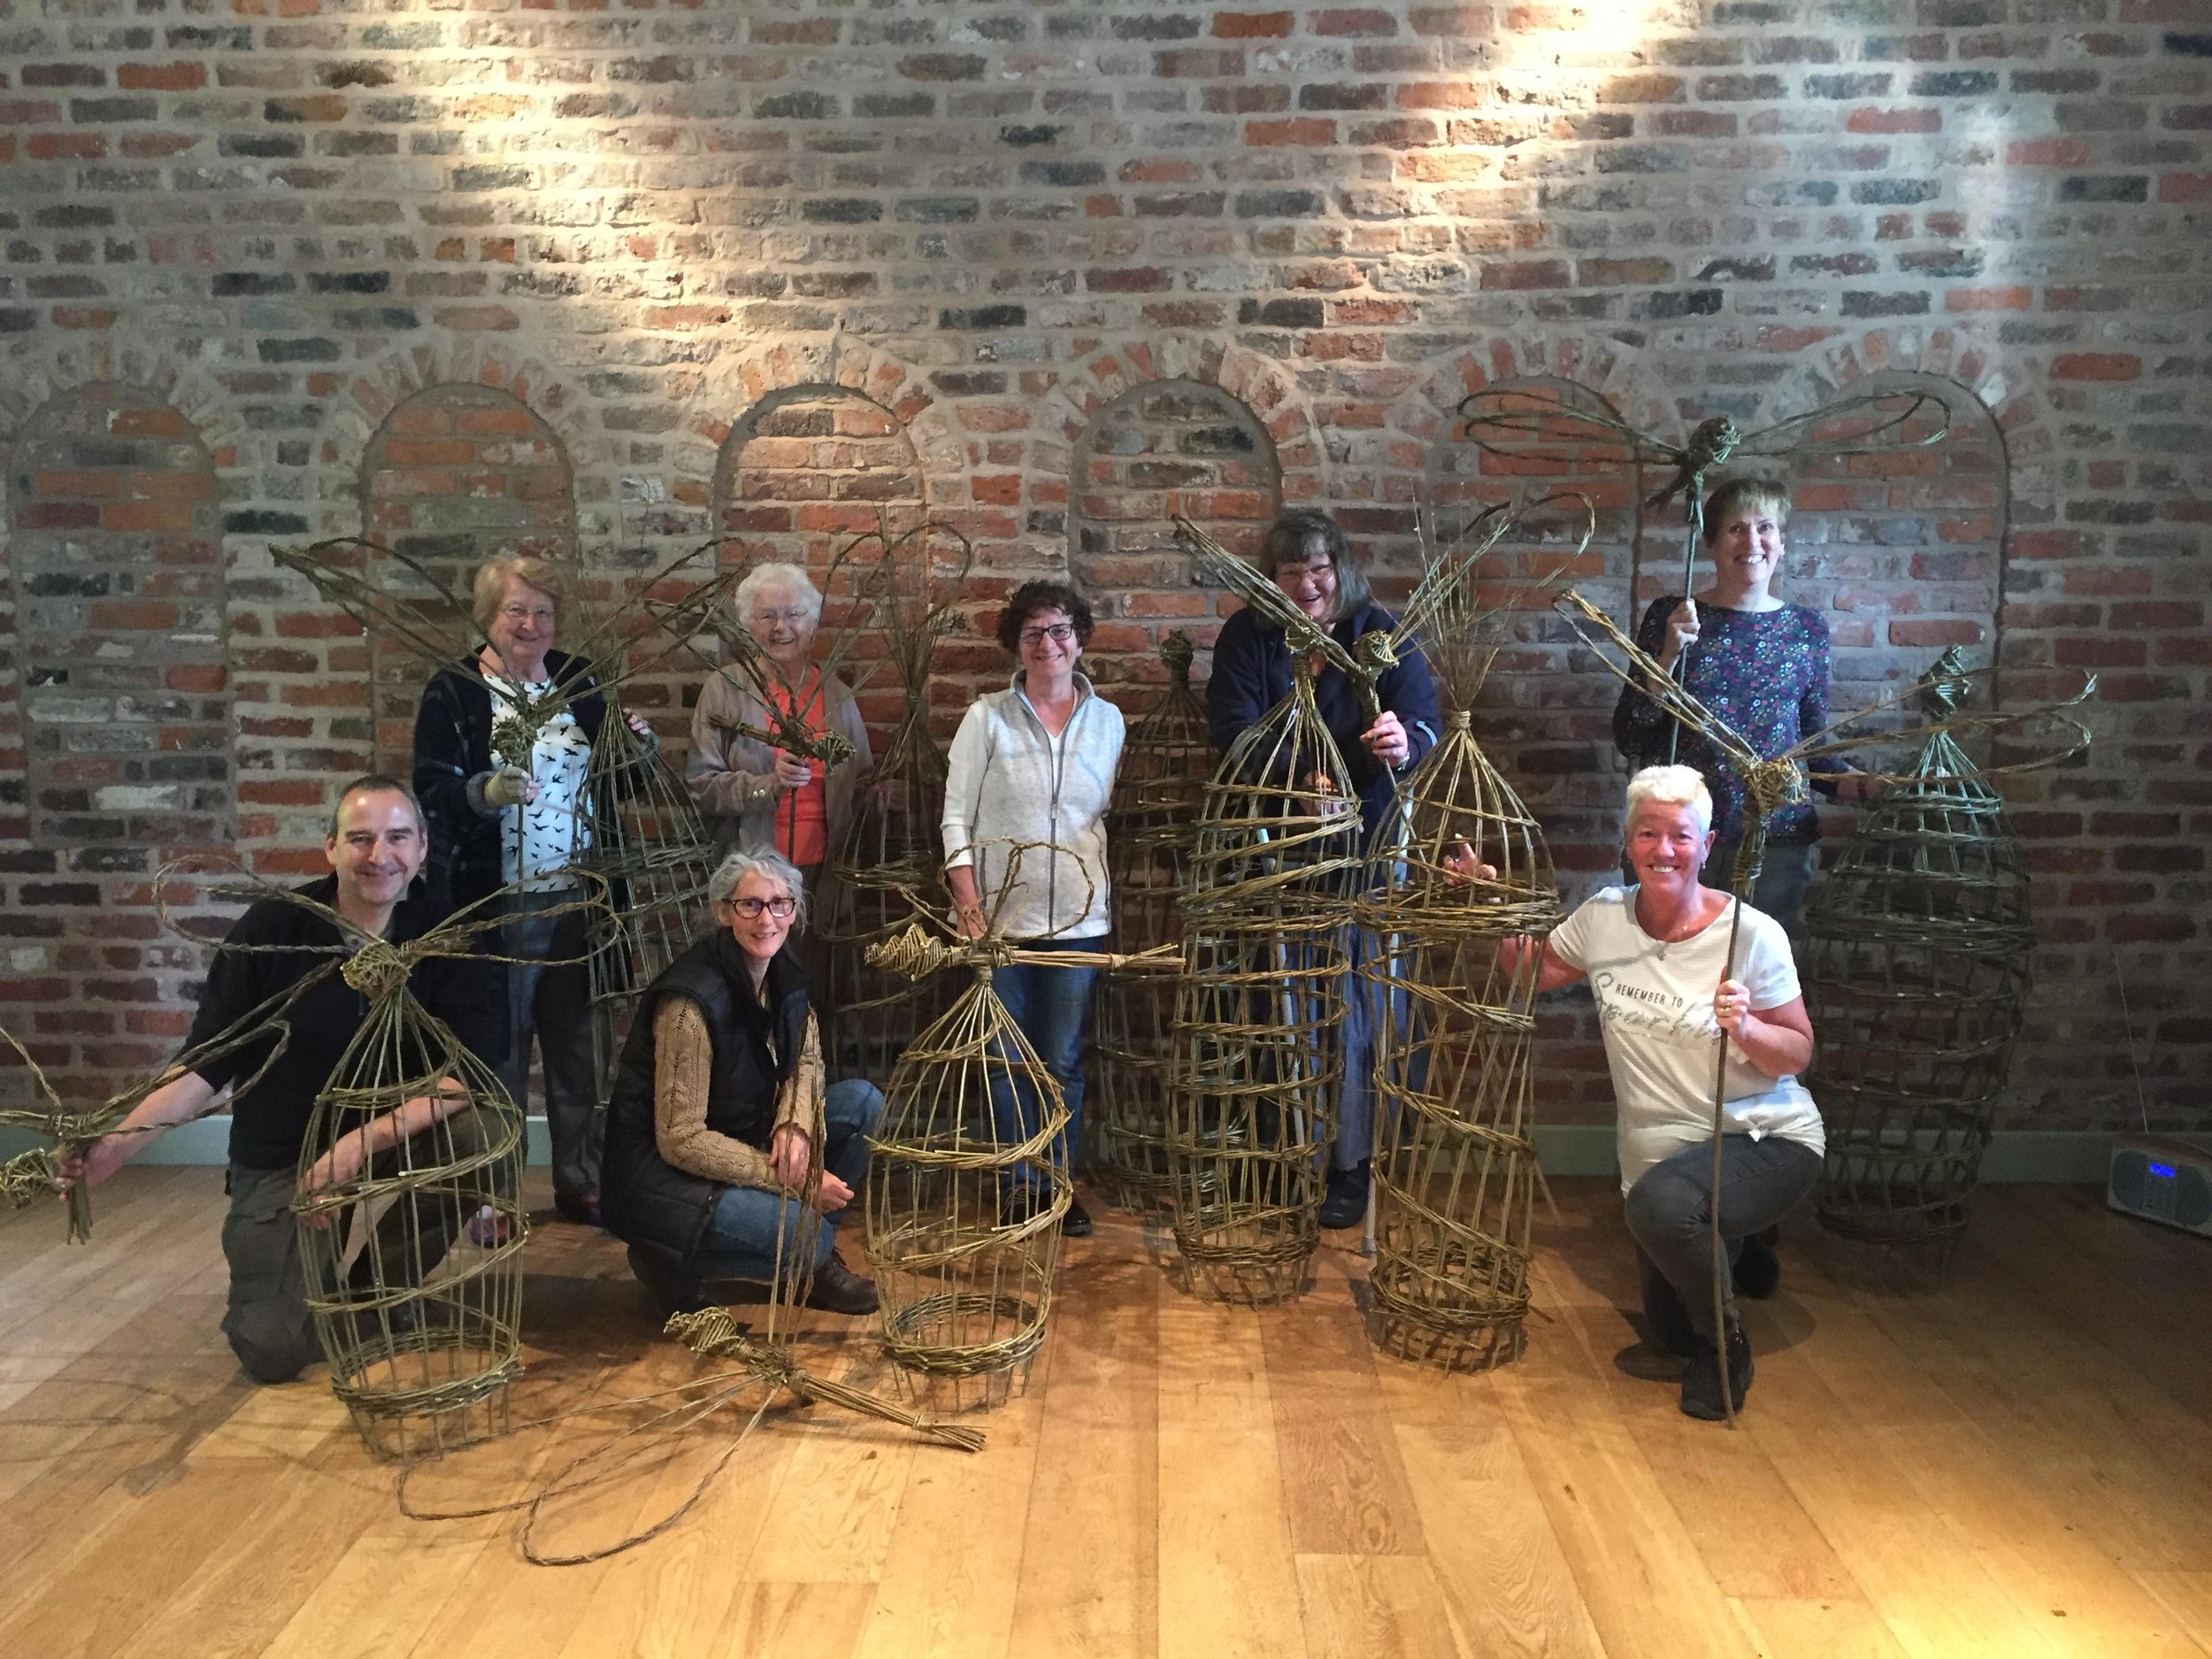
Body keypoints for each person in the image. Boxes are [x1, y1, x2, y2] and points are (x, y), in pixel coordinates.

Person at [58, 778, 508, 1385]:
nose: (381, 856)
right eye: (360, 839)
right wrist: (115, 1146)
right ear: (329, 848)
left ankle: (380, 1291)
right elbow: (207, 1063)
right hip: (287, 1154)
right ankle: (314, 1295)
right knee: (272, 1347)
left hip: (390, 1138)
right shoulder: (273, 930)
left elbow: (469, 1073)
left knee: (486, 1133)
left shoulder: (448, 934)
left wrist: (355, 1146)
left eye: (398, 837)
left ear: (423, 847)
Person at [1502, 765, 1824, 1420]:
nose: (1664, 849)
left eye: (1681, 835)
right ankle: (1727, 1249)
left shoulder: (1752, 934)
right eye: (1648, 833)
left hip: (1762, 1134)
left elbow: (1799, 1051)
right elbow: (1531, 970)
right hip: (1660, 1157)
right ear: (1628, 843)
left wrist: (1750, 1026)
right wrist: (1488, 901)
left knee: (1663, 1212)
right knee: (1666, 1326)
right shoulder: (1605, 917)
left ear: (1707, 846)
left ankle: (1726, 1351)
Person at [1206, 508, 1440, 1230]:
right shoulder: (1250, 637)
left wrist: (1402, 742)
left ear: (1340, 568)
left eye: (1317, 568)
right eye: (1288, 571)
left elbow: (1423, 724)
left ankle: (1351, 1163)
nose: (1305, 583)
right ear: (1268, 579)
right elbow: (1235, 734)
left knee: (1361, 1011)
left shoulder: (1379, 632)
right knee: (1282, 1005)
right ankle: (1288, 1155)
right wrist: (1297, 780)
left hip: (1368, 852)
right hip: (1279, 857)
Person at [413, 554, 654, 1229]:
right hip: (495, 902)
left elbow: (618, 785)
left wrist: (642, 750)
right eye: (515, 610)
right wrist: (484, 792)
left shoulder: (579, 679)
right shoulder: (455, 689)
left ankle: (581, 1178)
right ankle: (490, 1193)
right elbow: (430, 789)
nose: (530, 623)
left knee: (582, 1047)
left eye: (543, 611)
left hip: (580, 896)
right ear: (488, 616)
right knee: (498, 1052)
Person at [602, 849, 882, 1318]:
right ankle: (666, 1255)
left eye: (779, 903)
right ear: (723, 911)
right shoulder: (691, 1004)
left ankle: (810, 1265)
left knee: (862, 1103)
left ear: (794, 911)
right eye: (750, 904)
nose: (766, 918)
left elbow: (806, 1056)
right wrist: (793, 1180)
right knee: (804, 1232)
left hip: (740, 1134)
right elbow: (681, 1140)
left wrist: (794, 1126)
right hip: (666, 1177)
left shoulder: (782, 966)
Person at [941, 580, 1126, 1240]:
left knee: (1062, 1062)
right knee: (1004, 1060)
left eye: (1060, 630)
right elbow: (955, 816)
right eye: (1033, 633)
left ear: (1079, 638)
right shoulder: (985, 717)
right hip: (999, 924)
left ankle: (1056, 1182)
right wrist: (969, 904)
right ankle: (1018, 1183)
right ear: (1015, 645)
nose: (1048, 644)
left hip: (1080, 924)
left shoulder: (1109, 721)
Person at [1612, 477, 1872, 931]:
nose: (1752, 541)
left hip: (1776, 840)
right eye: (1736, 529)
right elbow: (1630, 732)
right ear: (1710, 544)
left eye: (1765, 527)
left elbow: (1812, 747)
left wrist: (1869, 786)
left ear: (1782, 543)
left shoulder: (1806, 629)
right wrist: (1669, 654)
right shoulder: (1672, 616)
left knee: (1756, 984)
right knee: (1668, 974)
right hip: (1679, 836)